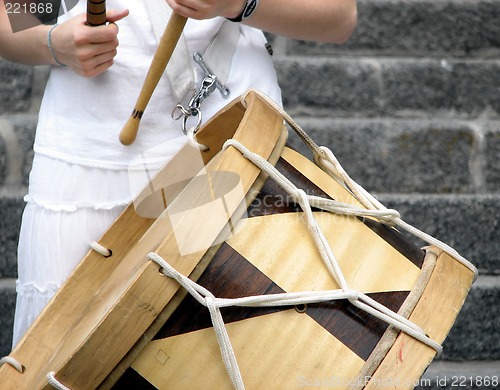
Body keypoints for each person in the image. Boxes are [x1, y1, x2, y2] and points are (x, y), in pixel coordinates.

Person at [0, 0, 357, 348]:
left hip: (231, 143)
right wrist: (52, 43)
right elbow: (15, 12)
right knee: (58, 356)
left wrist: (238, 4)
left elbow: (338, 15)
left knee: (245, 351)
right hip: (85, 161)